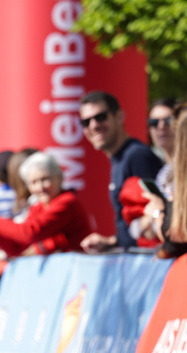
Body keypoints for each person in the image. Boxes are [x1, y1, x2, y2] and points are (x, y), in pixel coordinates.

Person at [0, 152, 93, 258]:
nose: (40, 187)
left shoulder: (67, 202)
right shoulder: (38, 207)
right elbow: (17, 248)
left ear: (58, 177)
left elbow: (30, 232)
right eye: (34, 182)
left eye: (45, 179)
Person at [78, 90, 164, 252]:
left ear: (119, 116)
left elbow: (160, 213)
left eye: (101, 117)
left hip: (151, 264)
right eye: (86, 122)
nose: (94, 125)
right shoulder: (121, 158)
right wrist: (113, 241)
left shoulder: (137, 156)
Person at [145, 99, 187, 258]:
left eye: (168, 122)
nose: (161, 127)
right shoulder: (172, 176)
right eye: (153, 122)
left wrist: (158, 211)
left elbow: (173, 242)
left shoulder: (177, 178)